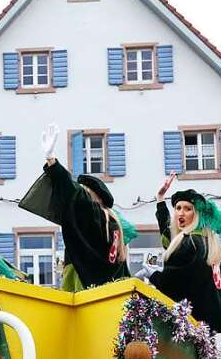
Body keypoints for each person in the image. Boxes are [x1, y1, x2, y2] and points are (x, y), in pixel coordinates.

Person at [19, 124, 137, 290]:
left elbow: (74, 194)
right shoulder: (112, 223)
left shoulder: (95, 214)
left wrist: (52, 161)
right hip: (109, 290)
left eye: (83, 192)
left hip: (82, 283)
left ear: (92, 198)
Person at [141, 175, 221, 333]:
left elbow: (172, 284)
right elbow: (170, 235)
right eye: (178, 208)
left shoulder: (190, 243)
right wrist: (160, 199)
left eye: (187, 209)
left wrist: (153, 275)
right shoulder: (206, 241)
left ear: (196, 214)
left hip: (191, 324)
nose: (180, 213)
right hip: (206, 325)